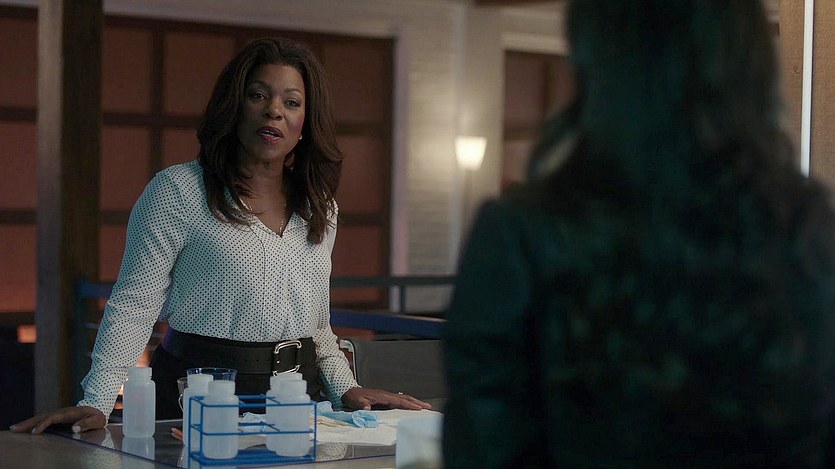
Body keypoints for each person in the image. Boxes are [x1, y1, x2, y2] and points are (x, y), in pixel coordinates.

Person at [443, 1, 835, 467]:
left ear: (593, 56)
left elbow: (484, 449)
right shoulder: (807, 233)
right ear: (749, 58)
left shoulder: (519, 237)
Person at [12, 37, 430, 435]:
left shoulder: (320, 206)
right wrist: (98, 401)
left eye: (291, 102)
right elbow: (135, 304)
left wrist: (346, 388)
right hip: (199, 395)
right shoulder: (178, 191)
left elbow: (316, 324)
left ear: (305, 123)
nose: (274, 112)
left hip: (296, 400)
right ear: (234, 107)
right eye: (258, 95)